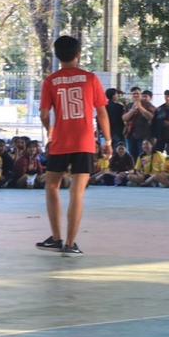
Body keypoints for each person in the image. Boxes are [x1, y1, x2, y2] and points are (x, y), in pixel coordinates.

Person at [36, 35, 111, 257]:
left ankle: (56, 238)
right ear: (78, 54)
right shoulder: (90, 78)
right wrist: (107, 141)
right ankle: (70, 244)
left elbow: (43, 114)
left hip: (61, 140)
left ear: (57, 56)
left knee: (51, 186)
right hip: (84, 141)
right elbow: (102, 112)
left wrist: (49, 129)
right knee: (77, 192)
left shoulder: (50, 81)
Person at [122, 86, 155, 159]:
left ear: (141, 94)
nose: (136, 95)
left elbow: (150, 117)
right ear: (131, 95)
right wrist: (132, 110)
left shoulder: (147, 104)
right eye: (134, 94)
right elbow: (124, 118)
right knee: (132, 154)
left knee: (143, 154)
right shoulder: (129, 105)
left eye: (137, 93)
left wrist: (140, 107)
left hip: (143, 134)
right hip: (131, 134)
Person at [152, 90, 169, 154]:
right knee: (158, 153)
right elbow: (155, 123)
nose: (168, 98)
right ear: (164, 97)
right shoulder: (159, 109)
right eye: (166, 96)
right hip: (161, 135)